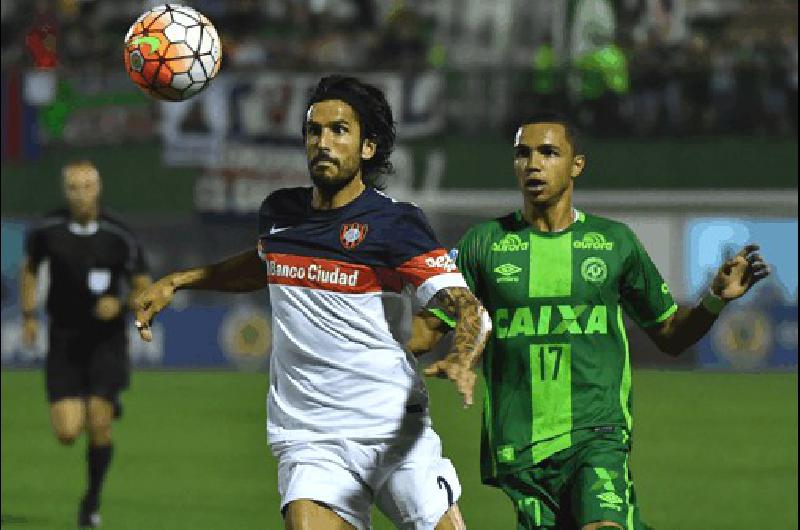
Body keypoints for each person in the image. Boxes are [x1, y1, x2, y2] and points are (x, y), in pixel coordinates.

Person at [132, 75, 491, 530]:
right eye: (314, 130)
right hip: (310, 437)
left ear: (367, 148)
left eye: (339, 130)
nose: (323, 141)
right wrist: (180, 281)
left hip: (391, 428)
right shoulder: (281, 213)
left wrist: (462, 357)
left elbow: (466, 306)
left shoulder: (394, 223)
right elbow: (265, 264)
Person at [412, 111, 770, 530]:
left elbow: (671, 335)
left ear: (576, 165)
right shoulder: (482, 245)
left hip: (597, 435)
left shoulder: (614, 243)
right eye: (523, 154)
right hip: (520, 448)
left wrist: (714, 300)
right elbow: (426, 328)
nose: (533, 164)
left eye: (548, 153)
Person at [20, 160, 152, 528]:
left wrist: (123, 303)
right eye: (73, 188)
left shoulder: (119, 234)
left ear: (99, 188)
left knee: (98, 423)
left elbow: (144, 284)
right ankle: (104, 406)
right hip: (64, 339)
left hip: (106, 342)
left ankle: (90, 503)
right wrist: (30, 315)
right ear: (65, 191)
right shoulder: (47, 230)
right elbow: (29, 269)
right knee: (65, 433)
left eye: (87, 187)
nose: (80, 195)